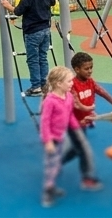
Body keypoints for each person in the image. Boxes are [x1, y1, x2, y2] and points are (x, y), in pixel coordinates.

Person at [38, 66, 102, 206]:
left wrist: (77, 129)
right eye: (69, 81)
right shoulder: (50, 101)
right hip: (53, 138)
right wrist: (47, 141)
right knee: (52, 165)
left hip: (61, 136)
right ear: (59, 83)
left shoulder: (68, 97)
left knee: (57, 162)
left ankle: (52, 186)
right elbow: (44, 122)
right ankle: (48, 192)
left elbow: (70, 116)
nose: (72, 83)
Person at [0, 0, 56, 97]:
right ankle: (44, 84)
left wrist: (8, 5)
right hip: (46, 30)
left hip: (32, 33)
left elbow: (18, 11)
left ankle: (36, 85)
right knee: (43, 57)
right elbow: (52, 3)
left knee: (32, 59)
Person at [70, 51, 112, 129]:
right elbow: (77, 105)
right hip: (76, 119)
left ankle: (89, 118)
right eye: (86, 69)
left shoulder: (90, 81)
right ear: (77, 69)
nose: (90, 71)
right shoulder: (72, 85)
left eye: (91, 67)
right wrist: (90, 109)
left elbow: (103, 92)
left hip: (87, 114)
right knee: (78, 137)